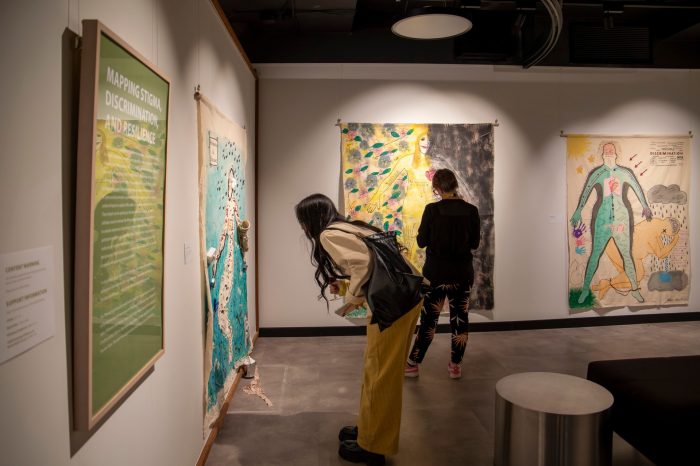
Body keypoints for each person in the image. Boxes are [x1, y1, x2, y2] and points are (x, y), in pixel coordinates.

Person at [295, 193, 421, 465]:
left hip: (393, 306)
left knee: (381, 375)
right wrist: (346, 288)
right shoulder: (349, 226)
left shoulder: (328, 234)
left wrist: (350, 299)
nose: (303, 229)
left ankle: (374, 447)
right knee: (375, 369)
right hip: (403, 298)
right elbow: (371, 266)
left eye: (302, 222)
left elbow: (362, 265)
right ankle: (369, 428)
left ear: (311, 219)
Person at [405, 169, 480, 379]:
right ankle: (456, 365)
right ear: (455, 185)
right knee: (460, 320)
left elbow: (421, 242)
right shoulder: (471, 211)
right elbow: (474, 243)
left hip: (436, 275)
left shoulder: (431, 210)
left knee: (429, 322)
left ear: (436, 188)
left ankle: (412, 364)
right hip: (462, 274)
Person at [570, 141, 652, 304]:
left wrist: (645, 206)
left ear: (616, 152)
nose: (609, 151)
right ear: (602, 153)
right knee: (595, 255)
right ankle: (585, 290)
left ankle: (635, 289)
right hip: (602, 219)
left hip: (622, 219)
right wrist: (579, 210)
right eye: (606, 149)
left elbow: (636, 187)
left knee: (626, 256)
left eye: (611, 149)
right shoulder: (597, 173)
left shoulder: (625, 172)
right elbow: (586, 190)